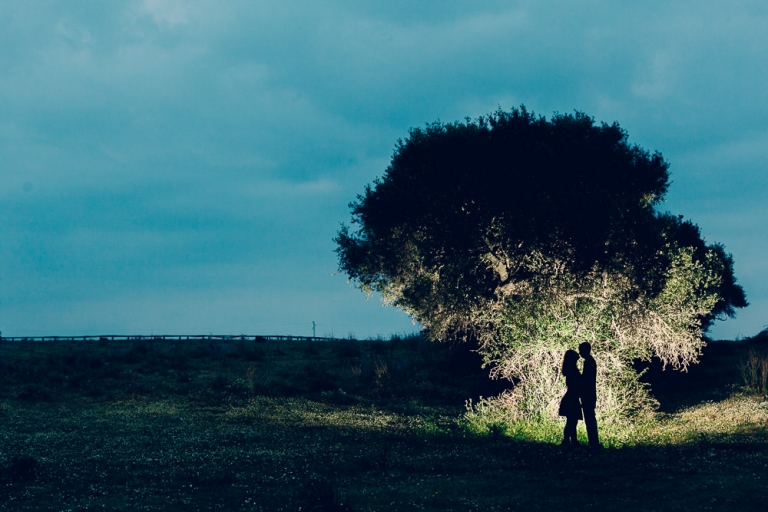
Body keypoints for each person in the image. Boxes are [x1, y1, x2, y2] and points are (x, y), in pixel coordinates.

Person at [558, 349, 582, 447]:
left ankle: (570, 440)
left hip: (570, 397)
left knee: (571, 421)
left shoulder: (569, 370)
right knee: (572, 421)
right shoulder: (573, 370)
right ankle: (569, 441)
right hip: (572, 398)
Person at [578, 341, 600, 448]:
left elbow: (587, 380)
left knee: (590, 418)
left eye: (581, 350)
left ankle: (593, 442)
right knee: (590, 417)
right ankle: (593, 442)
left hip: (588, 395)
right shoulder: (590, 361)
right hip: (590, 394)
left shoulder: (588, 362)